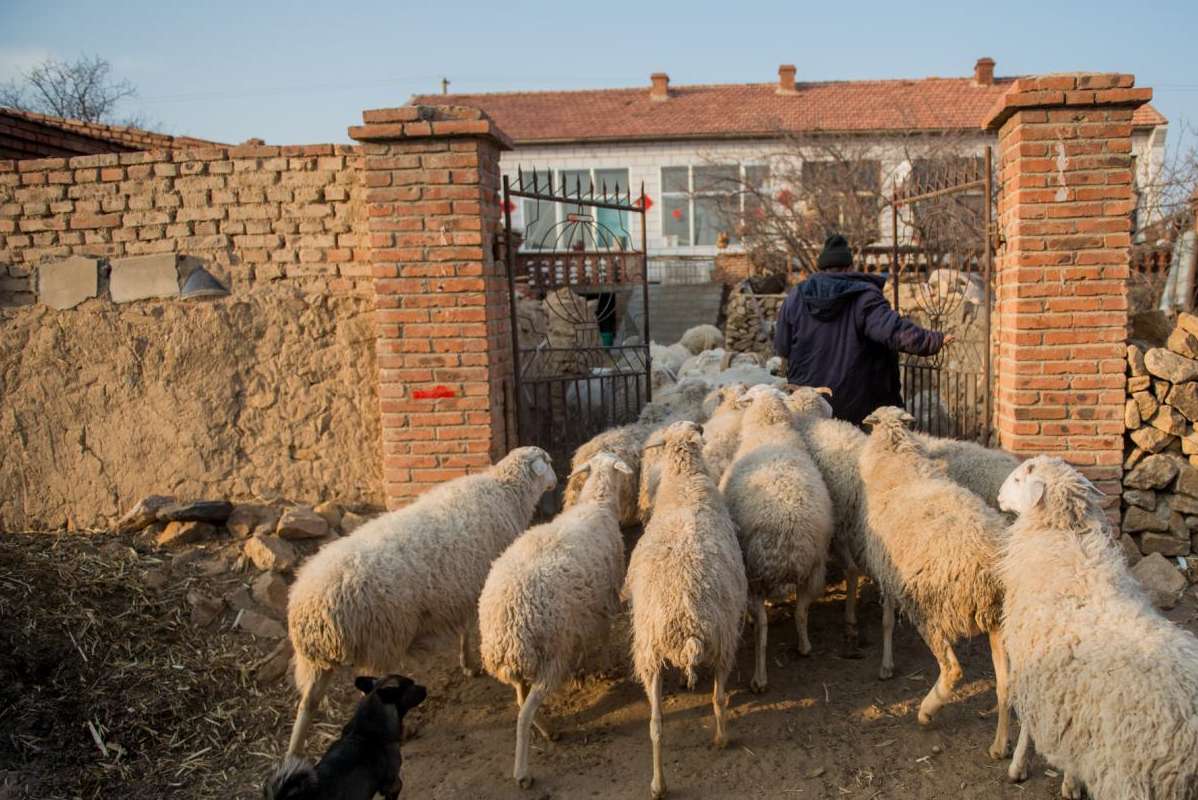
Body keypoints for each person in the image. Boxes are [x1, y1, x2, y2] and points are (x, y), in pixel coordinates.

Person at [774, 234, 951, 426]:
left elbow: (782, 347)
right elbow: (892, 330)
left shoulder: (796, 296)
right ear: (849, 266)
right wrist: (932, 340)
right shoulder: (864, 297)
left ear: (821, 266)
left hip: (808, 402)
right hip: (855, 405)